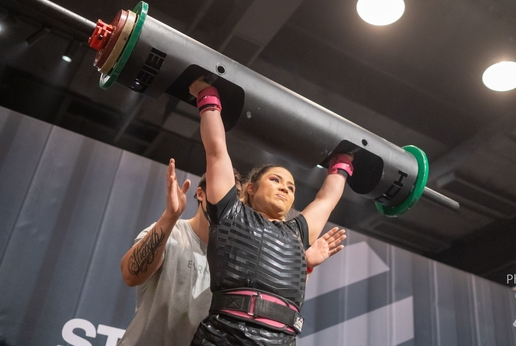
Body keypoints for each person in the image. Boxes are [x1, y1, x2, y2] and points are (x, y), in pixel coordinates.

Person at [189, 78, 354, 345]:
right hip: (224, 336)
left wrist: (345, 162)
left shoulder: (297, 232)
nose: (285, 188)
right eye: (275, 180)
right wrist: (206, 95)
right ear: (251, 188)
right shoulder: (229, 211)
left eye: (291, 187)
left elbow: (327, 198)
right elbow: (216, 152)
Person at [116, 160, 346, 346]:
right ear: (202, 194)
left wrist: (305, 265)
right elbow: (130, 274)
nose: (227, 200)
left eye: (234, 196)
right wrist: (170, 216)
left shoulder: (249, 251)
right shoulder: (174, 233)